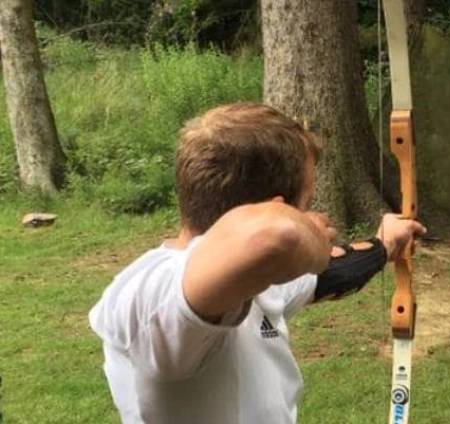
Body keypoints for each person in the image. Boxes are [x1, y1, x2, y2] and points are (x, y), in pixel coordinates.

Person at [88, 102, 426, 424]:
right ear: (275, 207)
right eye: (304, 203)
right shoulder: (152, 293)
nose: (308, 215)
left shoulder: (253, 279)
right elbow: (276, 237)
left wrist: (385, 244)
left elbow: (328, 276)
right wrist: (310, 236)